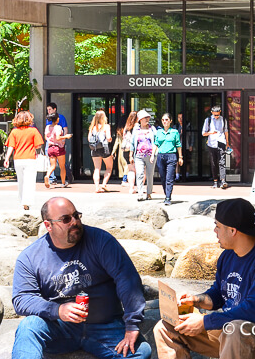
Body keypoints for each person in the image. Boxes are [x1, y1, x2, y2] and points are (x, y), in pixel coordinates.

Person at [153, 198, 255, 359]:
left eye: (217, 226)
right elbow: (219, 294)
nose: (215, 231)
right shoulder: (227, 256)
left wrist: (205, 322)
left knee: (234, 330)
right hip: (232, 334)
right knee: (165, 328)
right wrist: (196, 300)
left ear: (232, 231)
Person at [11, 197, 151, 359]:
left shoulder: (101, 241)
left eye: (76, 215)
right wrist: (57, 310)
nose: (74, 222)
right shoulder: (30, 257)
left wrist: (132, 325)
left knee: (142, 352)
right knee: (28, 327)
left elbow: (127, 280)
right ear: (48, 225)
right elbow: (22, 299)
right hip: (59, 327)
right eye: (66, 219)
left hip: (105, 326)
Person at [4, 111, 45, 211]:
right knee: (29, 181)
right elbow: (38, 145)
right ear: (29, 119)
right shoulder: (33, 131)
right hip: (30, 158)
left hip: (18, 159)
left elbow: (11, 146)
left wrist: (6, 159)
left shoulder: (14, 131)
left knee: (21, 181)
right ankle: (27, 202)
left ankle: (22, 200)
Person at [155, 113, 183, 206]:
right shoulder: (159, 132)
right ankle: (166, 194)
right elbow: (156, 144)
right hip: (161, 156)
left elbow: (178, 145)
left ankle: (168, 197)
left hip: (171, 155)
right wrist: (152, 155)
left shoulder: (174, 132)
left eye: (166, 120)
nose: (164, 122)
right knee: (163, 177)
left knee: (169, 178)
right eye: (163, 120)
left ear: (170, 121)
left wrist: (180, 157)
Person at [203, 106, 230, 190]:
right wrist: (211, 132)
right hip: (212, 143)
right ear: (211, 112)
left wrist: (227, 142)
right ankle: (215, 181)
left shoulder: (223, 120)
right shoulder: (208, 120)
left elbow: (226, 131)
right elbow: (203, 133)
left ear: (220, 112)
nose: (216, 117)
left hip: (221, 142)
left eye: (217, 115)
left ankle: (223, 181)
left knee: (222, 161)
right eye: (215, 115)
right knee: (214, 162)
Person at [133, 109, 156, 202]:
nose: (147, 120)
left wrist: (153, 154)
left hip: (150, 155)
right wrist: (131, 155)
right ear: (140, 120)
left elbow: (156, 142)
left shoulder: (152, 129)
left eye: (147, 118)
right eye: (144, 118)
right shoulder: (136, 130)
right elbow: (132, 143)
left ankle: (149, 193)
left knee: (150, 175)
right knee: (139, 174)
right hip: (139, 155)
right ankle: (140, 193)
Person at [44, 113, 71, 189]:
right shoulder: (58, 127)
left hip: (50, 148)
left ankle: (47, 175)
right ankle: (63, 183)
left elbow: (46, 137)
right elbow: (58, 137)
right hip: (58, 148)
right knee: (62, 166)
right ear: (57, 119)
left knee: (52, 165)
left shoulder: (47, 127)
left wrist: (51, 140)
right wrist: (66, 136)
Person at [88, 110, 113, 193]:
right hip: (104, 148)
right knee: (109, 167)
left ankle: (96, 187)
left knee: (97, 168)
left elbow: (89, 139)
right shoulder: (106, 126)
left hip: (94, 149)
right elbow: (109, 138)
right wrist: (110, 139)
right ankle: (104, 184)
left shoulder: (92, 127)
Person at [120, 111, 138, 194]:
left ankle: (131, 188)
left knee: (130, 169)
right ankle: (138, 186)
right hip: (134, 150)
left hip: (126, 150)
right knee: (138, 169)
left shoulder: (126, 128)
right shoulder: (136, 127)